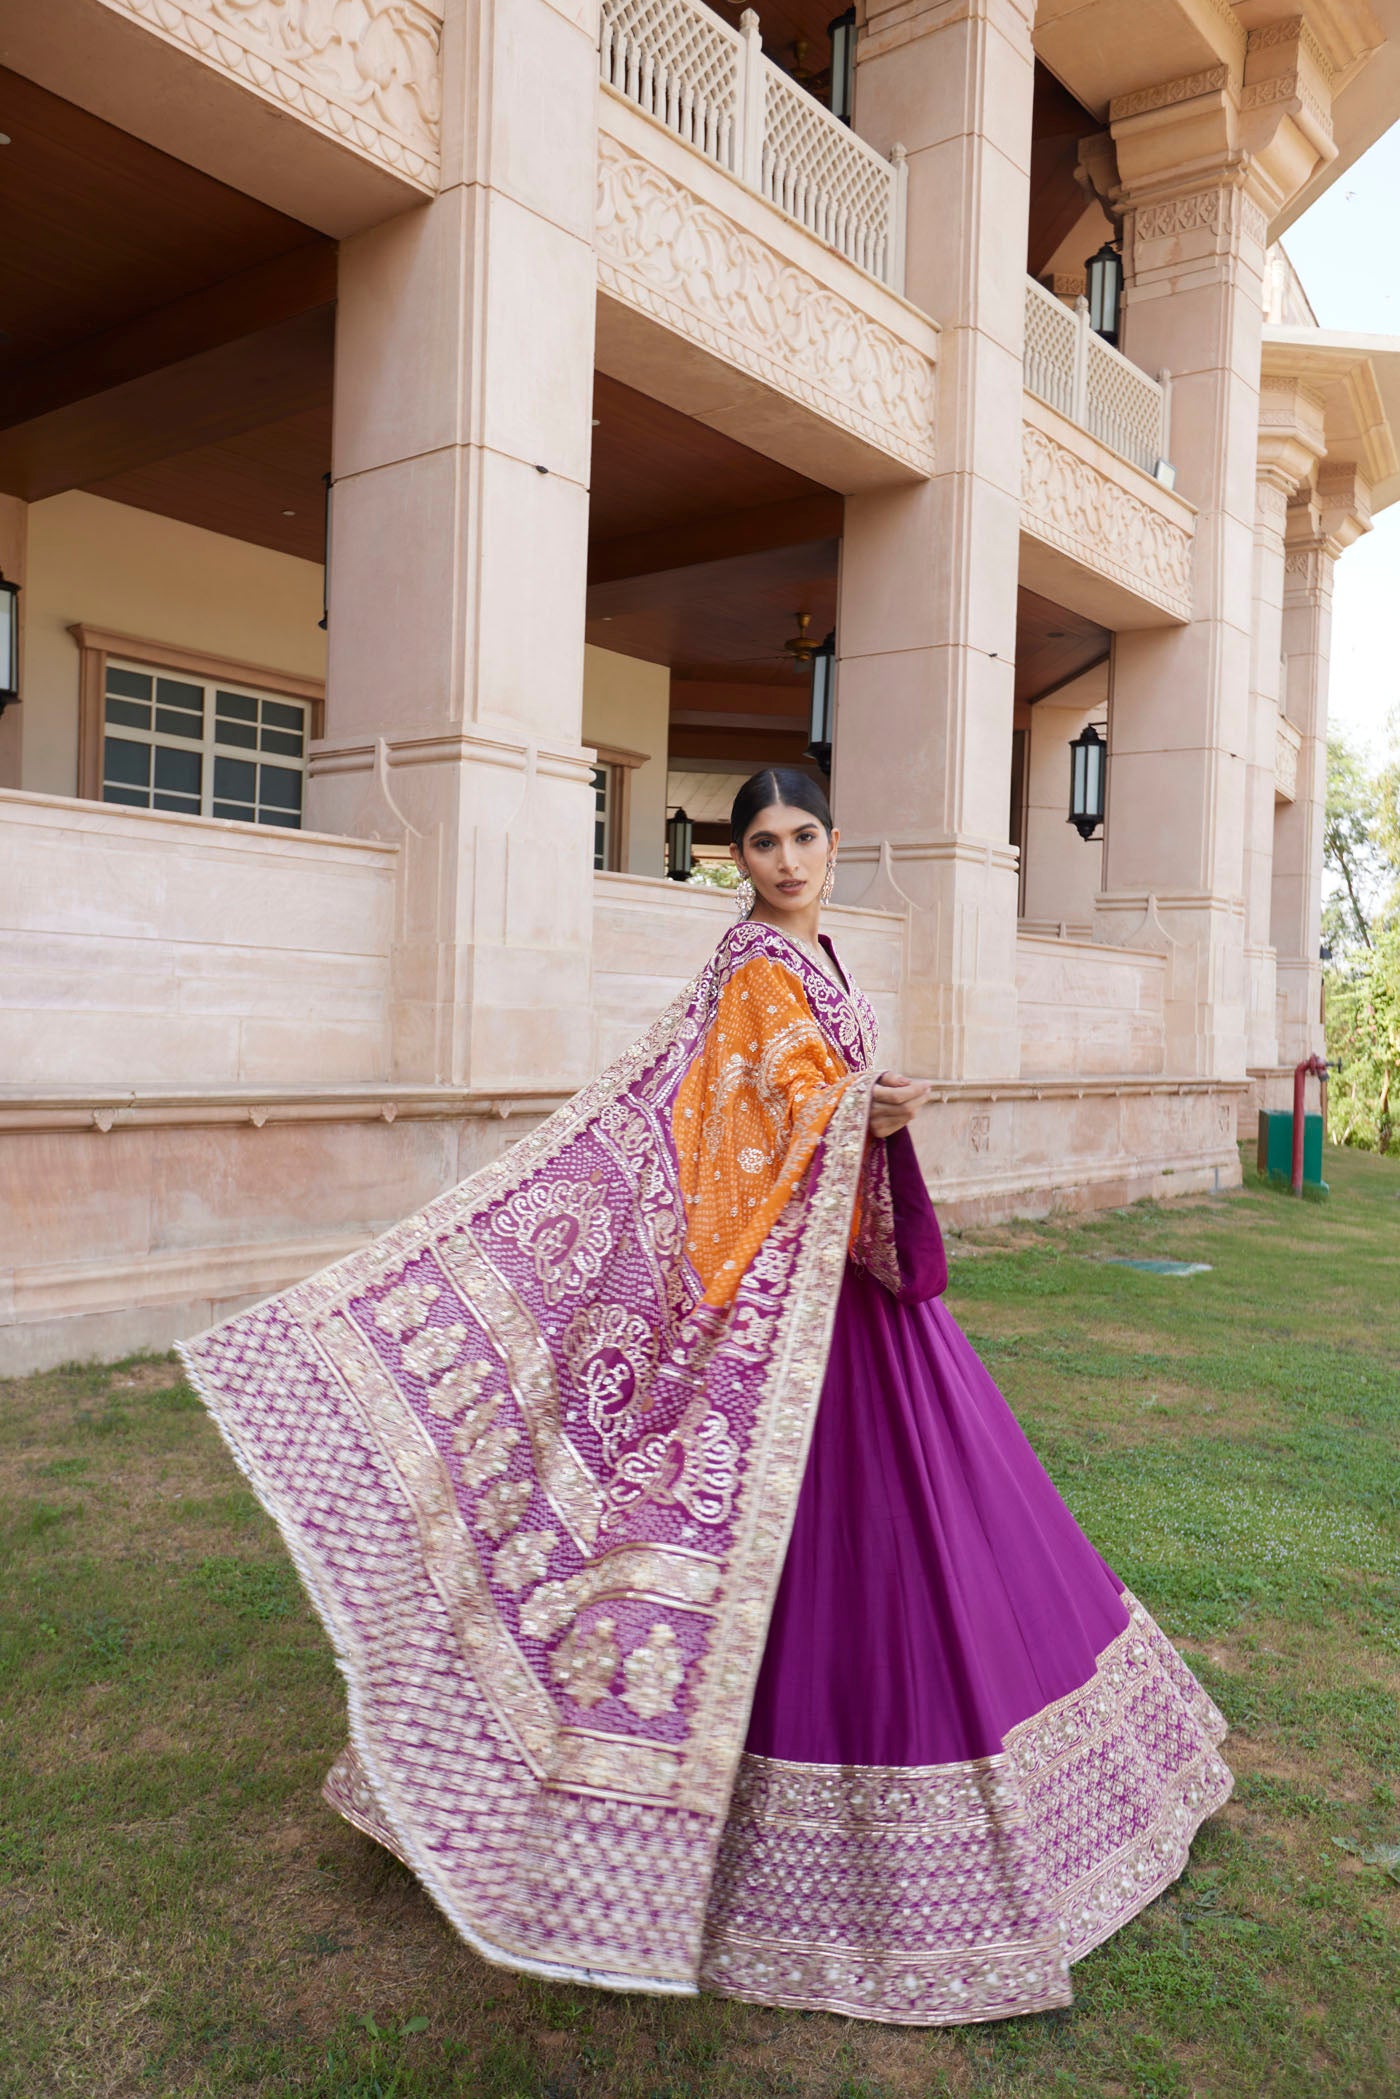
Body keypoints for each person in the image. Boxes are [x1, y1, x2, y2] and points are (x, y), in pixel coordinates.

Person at [181, 766, 1232, 2027]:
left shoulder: (824, 958)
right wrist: (863, 1116)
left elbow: (808, 1118)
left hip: (844, 1303)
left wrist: (868, 1122)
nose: (784, 859)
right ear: (733, 859)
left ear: (834, 843)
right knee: (776, 1545)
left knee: (926, 1536)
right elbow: (743, 1127)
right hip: (784, 1307)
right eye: (759, 843)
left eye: (800, 836)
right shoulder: (749, 971)